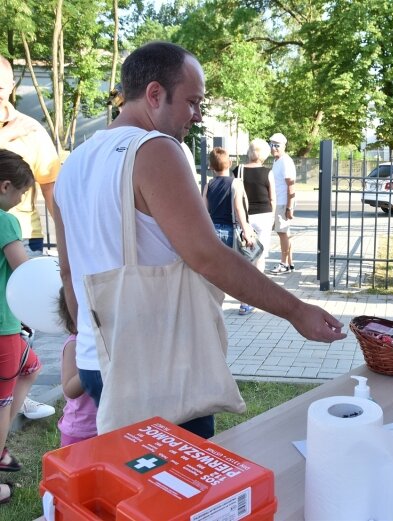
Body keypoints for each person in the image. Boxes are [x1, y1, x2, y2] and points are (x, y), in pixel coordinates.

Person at [53, 41, 345, 439]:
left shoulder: (73, 165)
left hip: (96, 360)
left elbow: (69, 273)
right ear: (155, 94)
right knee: (184, 491)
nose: (198, 114)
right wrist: (295, 310)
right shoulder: (154, 149)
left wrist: (87, 339)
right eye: (192, 102)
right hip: (158, 367)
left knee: (140, 486)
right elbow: (207, 256)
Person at [0, 149, 43, 505]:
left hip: (7, 328)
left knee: (31, 367)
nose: (20, 201)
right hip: (3, 326)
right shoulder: (5, 221)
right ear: (5, 186)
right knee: (1, 402)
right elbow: (23, 270)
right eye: (21, 193)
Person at [0, 55, 60, 259]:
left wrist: (65, 237)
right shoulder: (13, 131)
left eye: (0, 88)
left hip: (23, 236)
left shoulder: (31, 130)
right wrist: (4, 136)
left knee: (25, 290)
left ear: (11, 86)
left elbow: (50, 187)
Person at [203, 147, 257, 315]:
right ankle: (244, 304)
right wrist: (247, 230)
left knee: (215, 270)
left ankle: (213, 304)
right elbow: (239, 209)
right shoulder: (236, 183)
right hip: (230, 230)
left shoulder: (208, 185)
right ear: (231, 163)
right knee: (238, 269)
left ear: (210, 166)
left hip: (212, 231)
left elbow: (203, 210)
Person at [56, 288, 97, 447]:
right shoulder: (74, 344)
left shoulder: (108, 342)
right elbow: (69, 389)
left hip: (108, 426)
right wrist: (94, 363)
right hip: (81, 431)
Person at [233, 139, 275, 279]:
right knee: (260, 255)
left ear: (249, 152)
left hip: (244, 215)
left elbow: (233, 194)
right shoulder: (268, 172)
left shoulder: (238, 170)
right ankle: (259, 284)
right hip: (264, 215)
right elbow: (272, 198)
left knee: (245, 253)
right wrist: (273, 217)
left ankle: (246, 289)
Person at [268, 132, 296, 274]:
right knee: (285, 233)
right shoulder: (277, 161)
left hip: (283, 203)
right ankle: (290, 263)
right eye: (271, 145)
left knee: (282, 233)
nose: (273, 148)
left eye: (277, 145)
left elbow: (291, 186)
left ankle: (284, 263)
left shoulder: (285, 161)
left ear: (284, 146)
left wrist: (289, 207)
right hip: (279, 202)